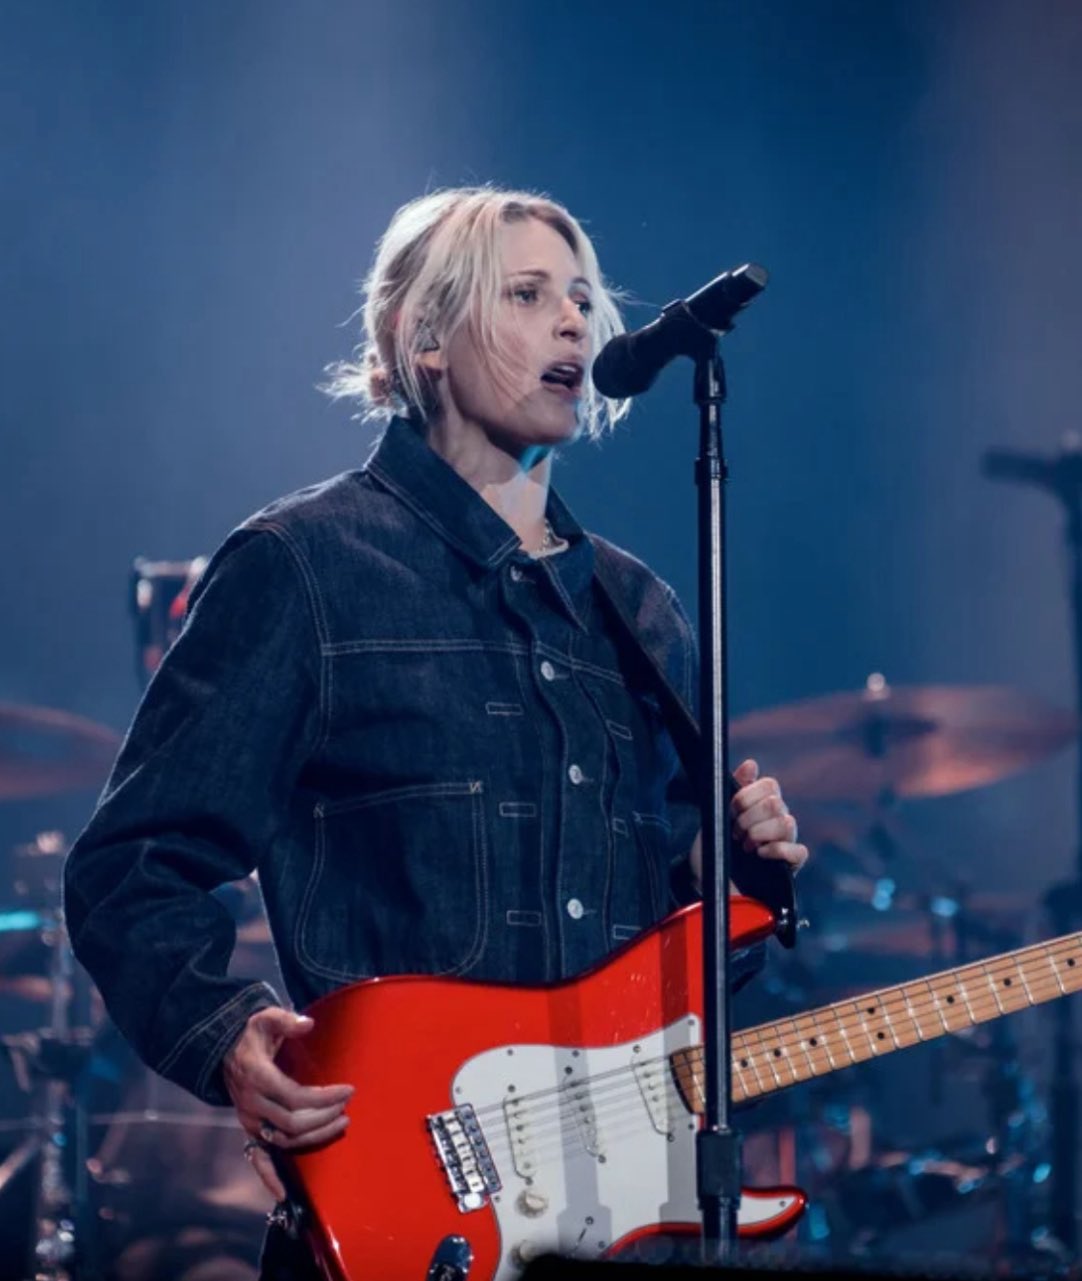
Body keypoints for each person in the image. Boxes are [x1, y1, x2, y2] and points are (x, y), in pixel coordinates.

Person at [63, 186, 808, 1276]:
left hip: (615, 1225)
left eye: (583, 298)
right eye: (527, 295)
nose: (574, 322)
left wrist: (730, 878)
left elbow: (677, 984)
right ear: (423, 338)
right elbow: (132, 866)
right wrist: (220, 1032)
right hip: (407, 1222)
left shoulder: (640, 613)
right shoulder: (306, 566)